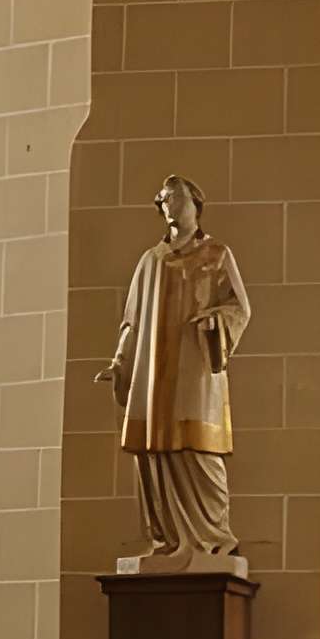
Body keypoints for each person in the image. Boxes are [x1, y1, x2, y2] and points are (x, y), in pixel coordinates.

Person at [96, 174, 252, 561]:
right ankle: (166, 539)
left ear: (195, 203)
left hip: (194, 369)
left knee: (198, 450)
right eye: (164, 199)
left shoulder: (216, 254)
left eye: (176, 197)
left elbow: (239, 307)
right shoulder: (151, 261)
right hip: (152, 375)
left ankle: (213, 538)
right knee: (154, 452)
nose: (169, 204)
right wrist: (120, 361)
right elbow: (132, 321)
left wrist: (216, 321)